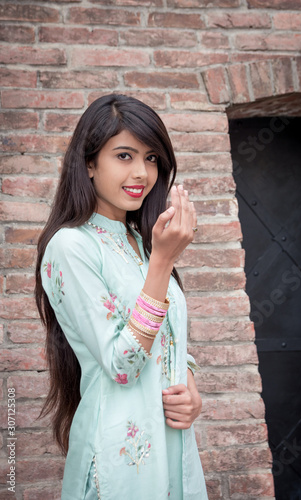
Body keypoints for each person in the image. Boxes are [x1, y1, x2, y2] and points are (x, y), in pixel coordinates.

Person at [35, 94, 208, 500]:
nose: (142, 173)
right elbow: (122, 364)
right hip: (121, 456)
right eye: (125, 155)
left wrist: (191, 384)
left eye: (151, 159)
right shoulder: (71, 247)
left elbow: (170, 335)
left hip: (173, 444)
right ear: (90, 164)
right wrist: (163, 262)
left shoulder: (142, 242)